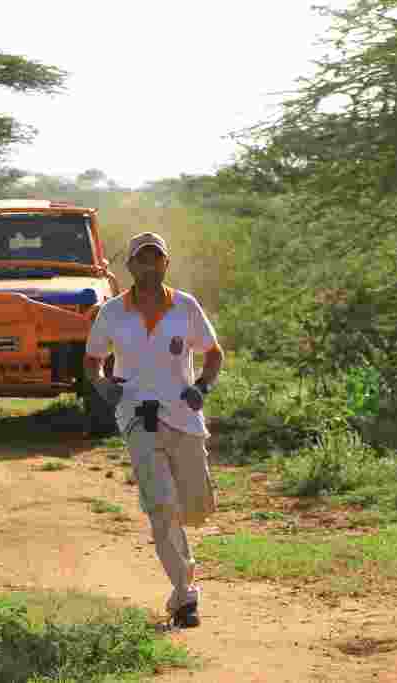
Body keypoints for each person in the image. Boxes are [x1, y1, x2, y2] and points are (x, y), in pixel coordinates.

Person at [84, 232, 224, 628]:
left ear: (165, 263)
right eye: (141, 260)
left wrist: (203, 387)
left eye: (155, 259)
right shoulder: (111, 312)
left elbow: (213, 354)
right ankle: (184, 596)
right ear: (129, 266)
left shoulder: (185, 306)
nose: (148, 266)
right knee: (162, 507)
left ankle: (182, 559)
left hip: (183, 414)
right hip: (137, 417)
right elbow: (92, 361)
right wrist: (104, 386)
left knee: (196, 505)